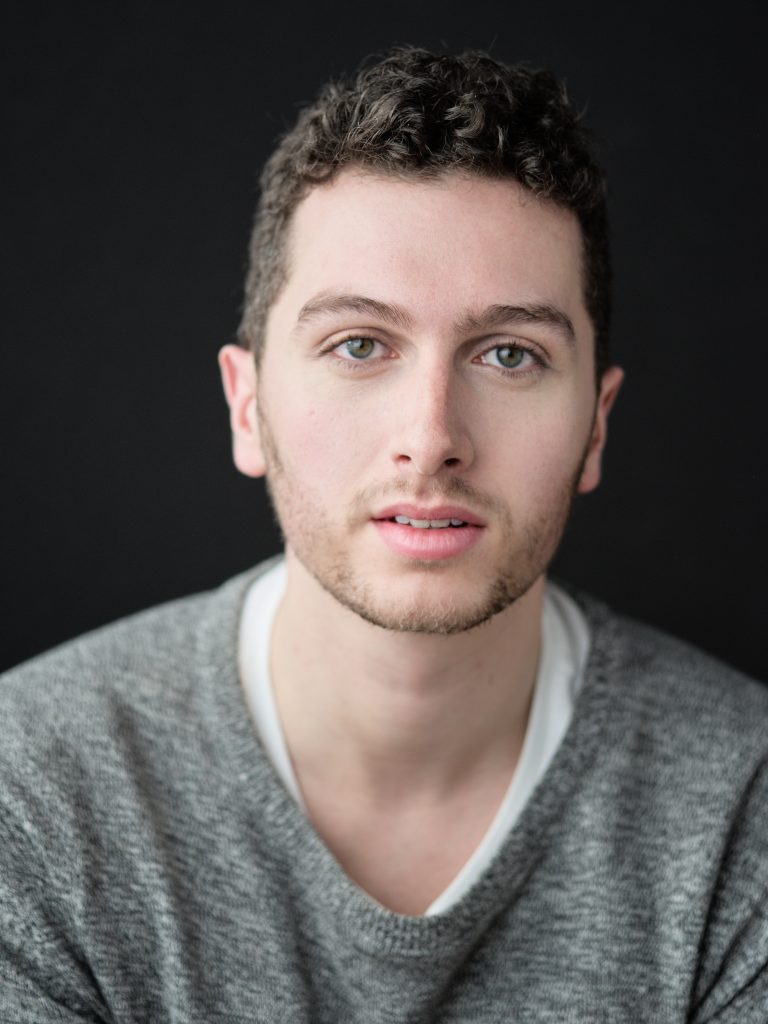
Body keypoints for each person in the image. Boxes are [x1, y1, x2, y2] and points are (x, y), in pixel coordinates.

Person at [1, 46, 766, 1024]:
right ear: (247, 406)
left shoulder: (743, 810)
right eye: (359, 344)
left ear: (596, 427)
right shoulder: (30, 791)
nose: (432, 437)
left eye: (509, 354)